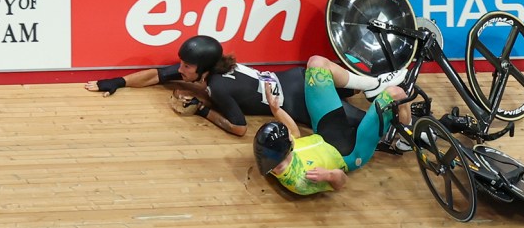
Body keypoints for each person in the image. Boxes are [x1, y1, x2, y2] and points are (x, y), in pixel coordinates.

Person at [84, 35, 407, 137]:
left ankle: (404, 123)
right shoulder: (214, 67)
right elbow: (158, 74)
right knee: (316, 63)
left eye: (186, 67)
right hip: (293, 77)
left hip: (301, 106)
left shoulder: (219, 89)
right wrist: (115, 82)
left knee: (377, 131)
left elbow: (239, 128)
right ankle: (372, 84)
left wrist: (200, 111)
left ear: (204, 69)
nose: (180, 70)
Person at [254, 54, 410, 195]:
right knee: (396, 94)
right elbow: (341, 182)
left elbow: (294, 133)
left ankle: (371, 84)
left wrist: (275, 109)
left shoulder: (272, 158)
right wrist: (329, 175)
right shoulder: (300, 180)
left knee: (317, 63)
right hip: (351, 152)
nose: (289, 134)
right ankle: (408, 136)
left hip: (325, 133)